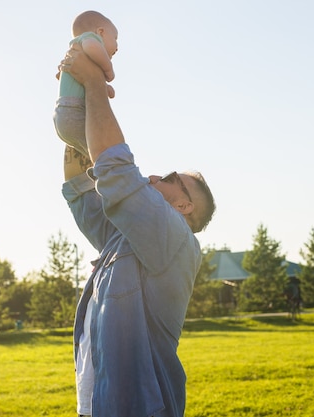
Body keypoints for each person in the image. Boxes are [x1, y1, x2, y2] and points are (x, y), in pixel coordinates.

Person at [59, 42, 216, 417]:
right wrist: (74, 99)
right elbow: (84, 190)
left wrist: (95, 81)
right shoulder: (127, 239)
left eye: (174, 179)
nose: (159, 175)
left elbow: (115, 171)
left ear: (184, 206)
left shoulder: (176, 241)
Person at [54, 10, 118, 158]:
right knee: (103, 151)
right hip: (73, 111)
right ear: (100, 32)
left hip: (66, 115)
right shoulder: (89, 39)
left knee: (93, 152)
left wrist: (105, 88)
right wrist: (108, 69)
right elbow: (92, 46)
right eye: (115, 38)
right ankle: (101, 169)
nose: (117, 46)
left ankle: (96, 170)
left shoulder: (85, 58)